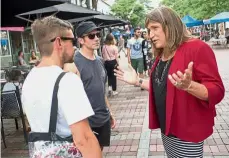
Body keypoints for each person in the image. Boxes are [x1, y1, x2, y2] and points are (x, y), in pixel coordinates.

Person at [114, 6, 225, 158]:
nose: (150, 35)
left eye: (154, 28)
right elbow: (162, 86)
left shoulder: (197, 48)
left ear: (169, 25)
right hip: (167, 129)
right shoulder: (162, 53)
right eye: (148, 30)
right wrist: (138, 81)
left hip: (187, 132)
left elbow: (217, 91)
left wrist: (190, 86)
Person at [22, 16, 102, 158]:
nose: (75, 45)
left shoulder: (29, 79)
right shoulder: (67, 81)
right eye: (72, 40)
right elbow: (83, 140)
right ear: (59, 42)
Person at [73, 21, 116, 150]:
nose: (96, 38)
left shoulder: (99, 61)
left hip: (103, 118)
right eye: (91, 36)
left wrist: (110, 113)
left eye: (98, 34)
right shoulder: (74, 63)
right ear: (81, 40)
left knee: (100, 151)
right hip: (86, 122)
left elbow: (101, 91)